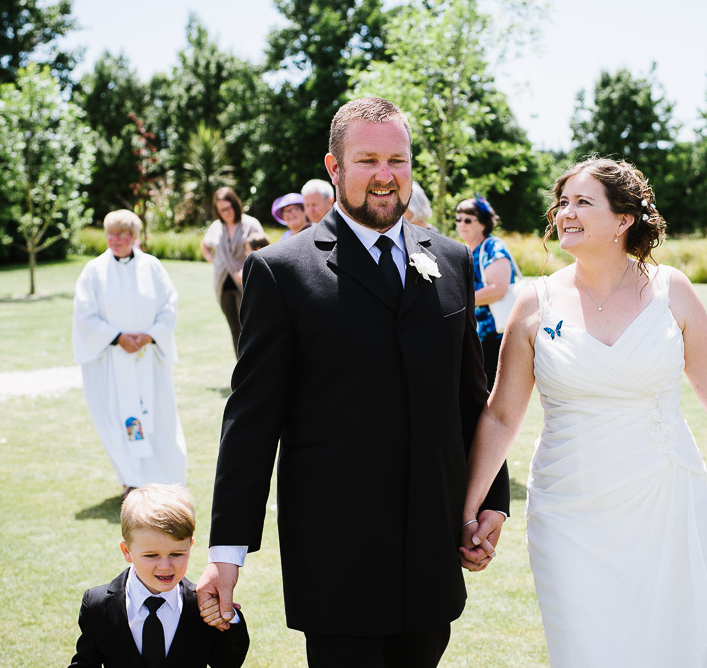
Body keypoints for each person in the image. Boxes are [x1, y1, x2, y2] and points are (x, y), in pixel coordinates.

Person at [460, 158, 707, 667]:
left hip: (663, 500)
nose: (566, 213)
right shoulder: (533, 302)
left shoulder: (673, 291)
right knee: (582, 649)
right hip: (568, 508)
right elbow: (500, 416)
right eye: (563, 202)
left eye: (584, 202)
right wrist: (468, 513)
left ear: (624, 219)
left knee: (666, 647)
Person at [196, 97, 509, 668]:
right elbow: (251, 421)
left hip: (430, 557)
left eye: (399, 159)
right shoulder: (282, 272)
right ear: (335, 167)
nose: (386, 176)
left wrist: (490, 499)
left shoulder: (453, 261)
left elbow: (470, 397)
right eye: (367, 160)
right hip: (338, 560)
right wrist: (227, 552)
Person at [69, 484, 248, 667]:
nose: (165, 566)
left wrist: (229, 617)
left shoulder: (202, 606)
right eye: (151, 555)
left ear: (190, 546)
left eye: (177, 554)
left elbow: (229, 662)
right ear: (126, 551)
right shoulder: (98, 605)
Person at [73, 210, 187, 497]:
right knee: (120, 418)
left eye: (123, 234)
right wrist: (116, 338)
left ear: (135, 237)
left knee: (157, 416)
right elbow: (84, 315)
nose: (116, 239)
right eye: (111, 233)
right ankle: (132, 479)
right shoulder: (94, 271)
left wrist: (149, 335)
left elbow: (169, 306)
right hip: (114, 359)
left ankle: (164, 478)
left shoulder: (153, 267)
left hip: (148, 357)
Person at [455, 195, 517, 391]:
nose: (461, 224)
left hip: (495, 336)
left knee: (490, 394)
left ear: (482, 223)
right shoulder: (465, 249)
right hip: (476, 335)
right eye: (458, 219)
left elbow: (498, 288)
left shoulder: (492, 246)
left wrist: (460, 302)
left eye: (467, 220)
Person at [201, 187, 265, 358]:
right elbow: (205, 244)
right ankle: (240, 367)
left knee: (248, 327)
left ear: (235, 205)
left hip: (244, 282)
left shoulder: (250, 224)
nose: (226, 213)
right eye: (222, 210)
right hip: (223, 284)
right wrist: (214, 261)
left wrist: (246, 268)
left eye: (229, 208)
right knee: (234, 328)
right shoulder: (216, 227)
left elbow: (263, 248)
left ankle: (254, 365)